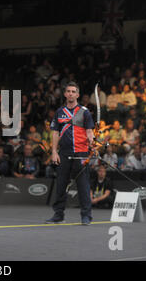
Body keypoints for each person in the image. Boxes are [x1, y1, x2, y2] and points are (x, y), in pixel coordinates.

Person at [47, 81, 95, 225]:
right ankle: (58, 215)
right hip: (64, 153)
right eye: (68, 91)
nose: (71, 94)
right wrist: (54, 152)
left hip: (81, 153)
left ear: (78, 94)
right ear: (65, 94)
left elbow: (89, 131)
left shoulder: (84, 112)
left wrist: (92, 143)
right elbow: (55, 133)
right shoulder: (59, 112)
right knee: (61, 185)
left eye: (73, 91)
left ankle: (86, 216)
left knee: (83, 186)